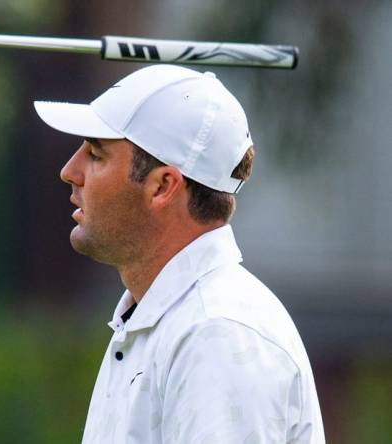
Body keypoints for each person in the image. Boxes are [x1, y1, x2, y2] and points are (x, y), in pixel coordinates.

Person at [33, 65, 325, 443]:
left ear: (162, 186)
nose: (69, 170)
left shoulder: (217, 332)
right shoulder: (166, 320)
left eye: (96, 154)